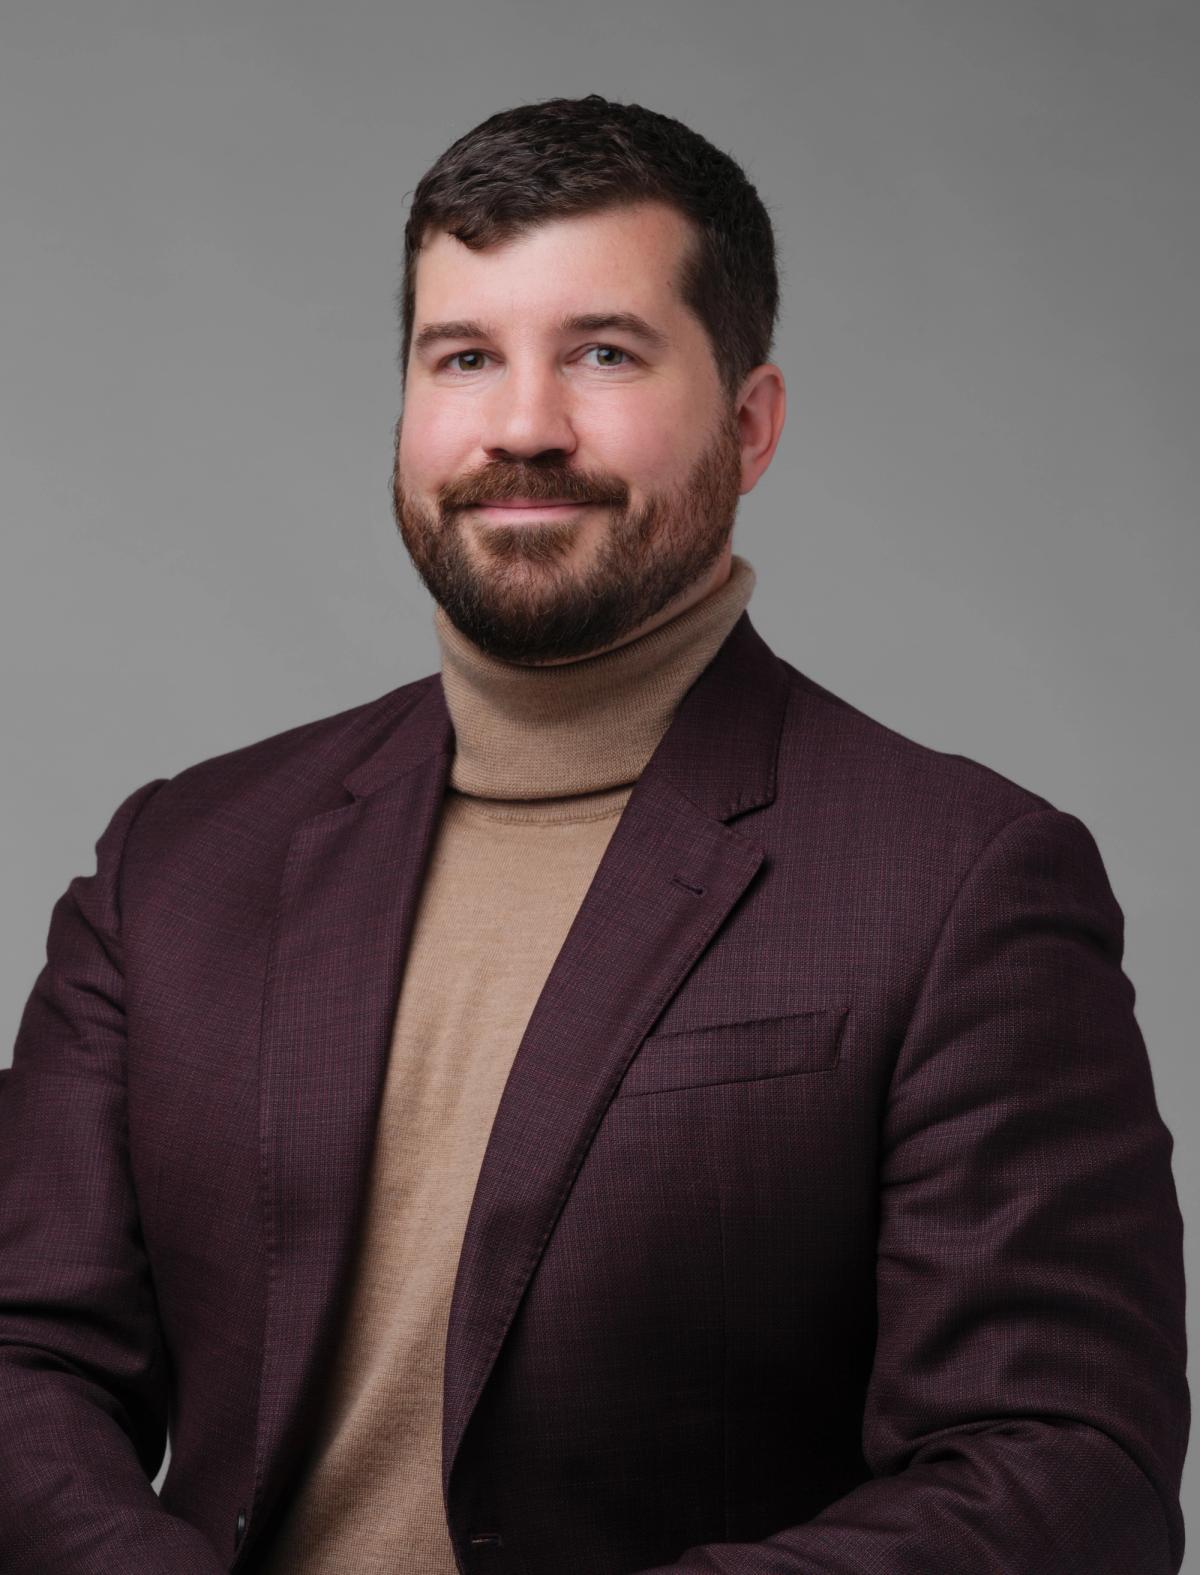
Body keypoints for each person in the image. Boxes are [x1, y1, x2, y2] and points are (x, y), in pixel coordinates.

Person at [0, 94, 1187, 1575]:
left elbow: (1068, 1472)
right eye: (465, 358)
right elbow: (22, 1363)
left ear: (749, 425)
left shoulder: (961, 884)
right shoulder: (176, 862)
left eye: (603, 354)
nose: (522, 427)